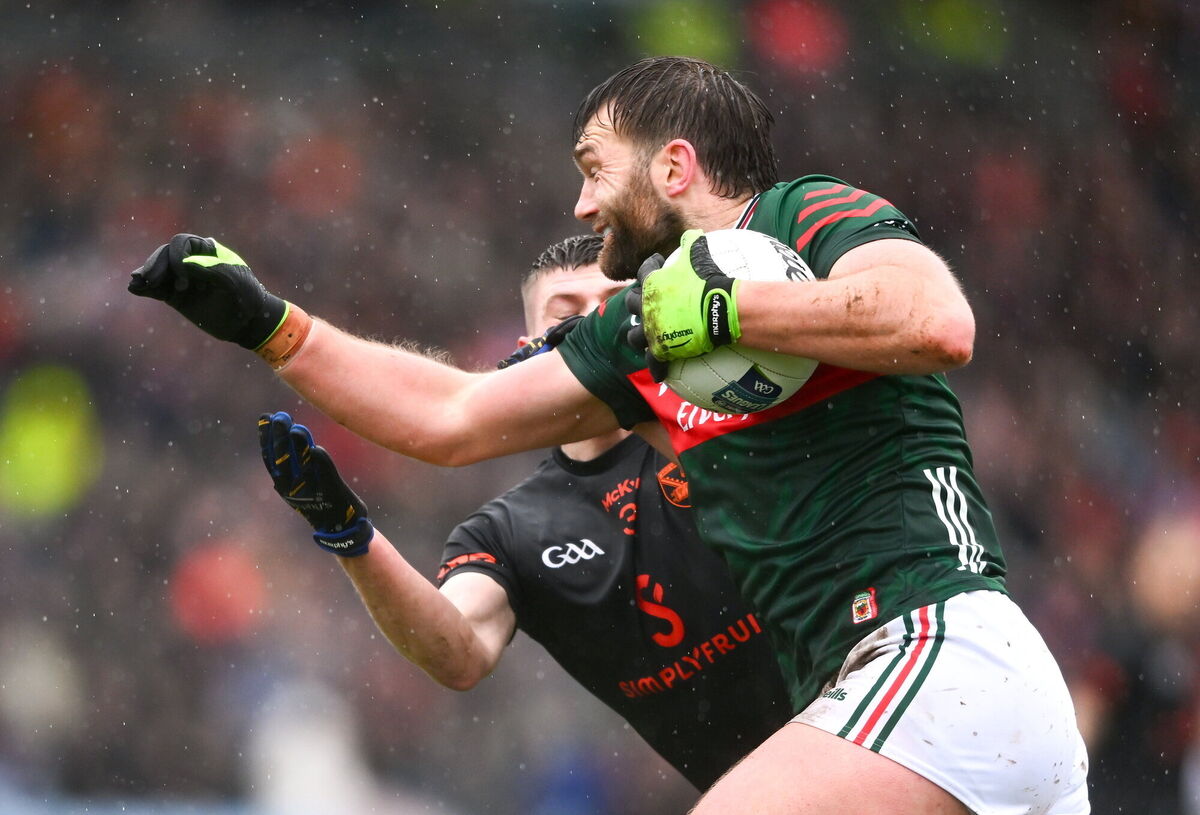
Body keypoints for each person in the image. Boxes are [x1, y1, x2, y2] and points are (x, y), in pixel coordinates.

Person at [128, 57, 1090, 813]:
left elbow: (936, 325)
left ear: (674, 166)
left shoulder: (807, 213)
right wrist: (271, 325)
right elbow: (452, 416)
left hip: (944, 656)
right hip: (910, 715)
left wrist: (727, 311)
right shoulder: (641, 336)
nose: (582, 205)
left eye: (595, 170)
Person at [254, 234, 793, 793]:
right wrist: (350, 537)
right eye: (567, 316)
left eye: (612, 308)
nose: (595, 328)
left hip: (857, 726)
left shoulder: (719, 420)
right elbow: (458, 653)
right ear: (530, 346)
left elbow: (767, 490)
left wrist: (626, 392)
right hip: (756, 789)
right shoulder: (508, 530)